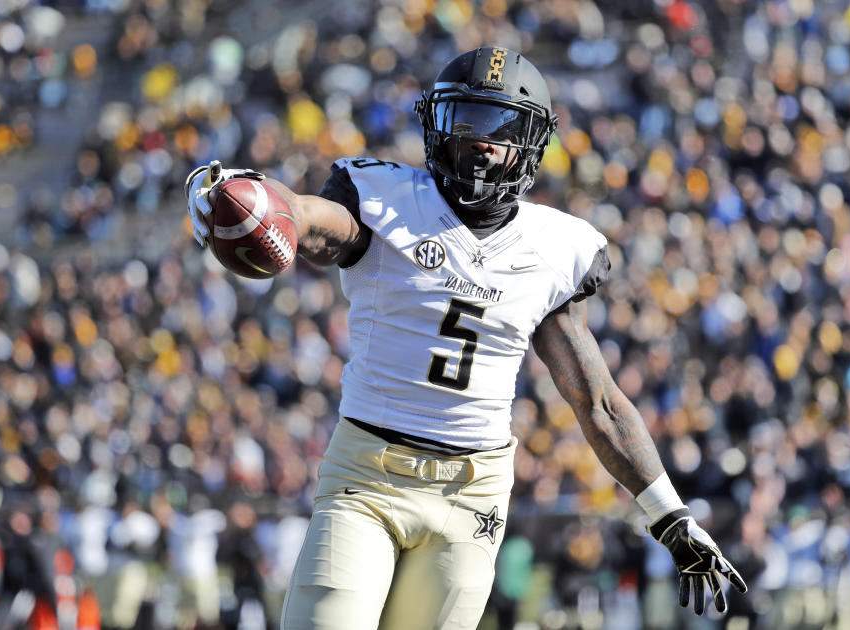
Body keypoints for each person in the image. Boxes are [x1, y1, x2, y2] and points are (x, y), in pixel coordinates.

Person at [186, 47, 747, 630]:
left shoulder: (555, 249)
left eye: (501, 126)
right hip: (367, 480)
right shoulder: (387, 201)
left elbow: (598, 403)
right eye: (468, 121)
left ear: (532, 141)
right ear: (436, 126)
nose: (482, 142)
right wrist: (248, 198)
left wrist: (671, 518)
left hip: (471, 497)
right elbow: (310, 219)